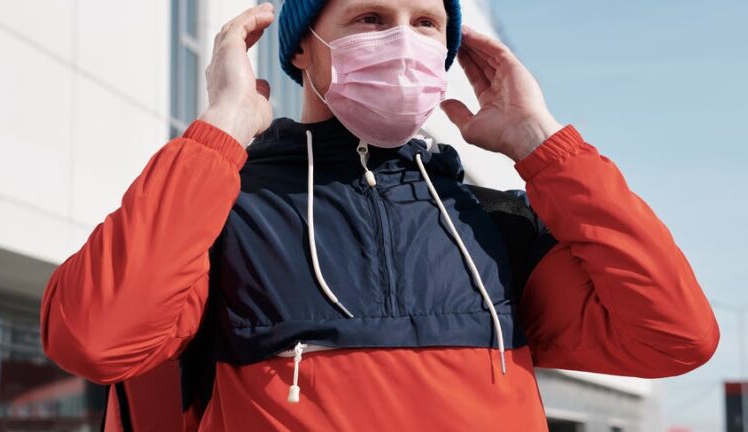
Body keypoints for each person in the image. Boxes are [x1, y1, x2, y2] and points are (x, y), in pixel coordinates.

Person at [40, 1, 720, 430]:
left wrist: (542, 144)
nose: (403, 42)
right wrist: (219, 132)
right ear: (302, 47)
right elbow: (96, 339)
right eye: (370, 18)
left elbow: (676, 335)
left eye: (426, 23)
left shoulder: (491, 222)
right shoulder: (224, 212)